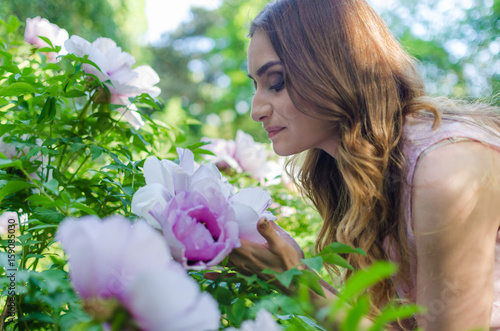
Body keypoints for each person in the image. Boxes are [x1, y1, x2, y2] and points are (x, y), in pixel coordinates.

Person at [227, 0, 500, 329]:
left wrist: (295, 283)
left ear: (334, 69)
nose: (257, 109)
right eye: (255, 86)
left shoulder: (446, 171)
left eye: (277, 83)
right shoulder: (351, 172)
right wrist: (297, 272)